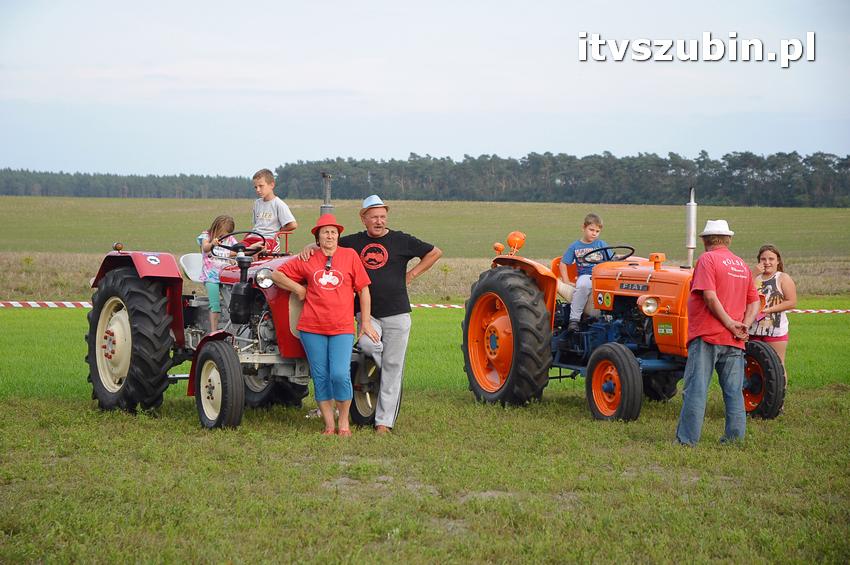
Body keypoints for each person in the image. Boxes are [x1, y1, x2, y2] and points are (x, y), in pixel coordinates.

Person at [299, 194, 442, 434]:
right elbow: (327, 242)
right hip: (368, 315)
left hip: (397, 313)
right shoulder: (353, 242)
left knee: (393, 367)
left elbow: (435, 252)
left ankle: (383, 422)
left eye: (383, 217)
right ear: (363, 218)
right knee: (367, 346)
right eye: (374, 217)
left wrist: (412, 275)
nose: (379, 221)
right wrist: (309, 246)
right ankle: (383, 372)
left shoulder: (401, 240)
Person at [272, 214, 378, 436]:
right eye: (325, 232)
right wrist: (299, 289)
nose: (329, 236)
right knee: (321, 375)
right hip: (312, 328)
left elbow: (363, 289)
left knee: (339, 374)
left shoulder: (349, 256)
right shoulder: (309, 258)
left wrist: (365, 321)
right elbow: (276, 274)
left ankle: (344, 422)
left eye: (333, 232)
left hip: (341, 328)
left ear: (338, 235)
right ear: (317, 237)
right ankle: (329, 424)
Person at [676, 219, 761, 446]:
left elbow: (710, 297)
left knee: (696, 389)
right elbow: (754, 303)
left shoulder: (707, 259)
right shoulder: (742, 265)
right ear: (728, 239)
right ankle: (734, 440)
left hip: (707, 335)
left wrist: (730, 323)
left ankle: (686, 440)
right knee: (733, 392)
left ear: (705, 240)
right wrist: (743, 324)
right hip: (734, 340)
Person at [748, 244, 797, 392]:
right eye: (763, 259)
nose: (767, 262)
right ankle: (758, 397)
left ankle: (778, 400)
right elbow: (740, 292)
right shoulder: (753, 277)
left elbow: (791, 302)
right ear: (758, 261)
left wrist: (768, 310)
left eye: (771, 259)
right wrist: (752, 274)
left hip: (775, 330)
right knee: (753, 364)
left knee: (777, 365)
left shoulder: (783, 278)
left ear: (778, 261)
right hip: (753, 329)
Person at [559, 213, 609, 332]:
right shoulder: (575, 246)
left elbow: (612, 260)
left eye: (597, 231)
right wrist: (566, 281)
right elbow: (563, 263)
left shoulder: (601, 244)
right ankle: (574, 320)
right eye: (591, 230)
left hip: (601, 275)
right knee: (582, 286)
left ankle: (608, 318)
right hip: (586, 275)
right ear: (583, 228)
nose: (594, 233)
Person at [197, 215, 238, 332]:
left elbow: (236, 250)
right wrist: (212, 244)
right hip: (211, 276)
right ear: (215, 229)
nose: (223, 237)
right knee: (215, 306)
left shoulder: (229, 239)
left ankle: (234, 330)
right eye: (221, 234)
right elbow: (205, 248)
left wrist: (251, 248)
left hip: (226, 276)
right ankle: (214, 331)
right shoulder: (206, 236)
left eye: (226, 235)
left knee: (233, 304)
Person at [243, 168, 297, 253]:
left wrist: (279, 232)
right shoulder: (257, 203)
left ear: (271, 185)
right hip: (253, 238)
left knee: (255, 249)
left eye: (261, 186)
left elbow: (293, 225)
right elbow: (257, 225)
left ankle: (246, 252)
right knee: (237, 247)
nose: (258, 190)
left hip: (269, 240)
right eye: (255, 187)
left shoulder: (278, 204)